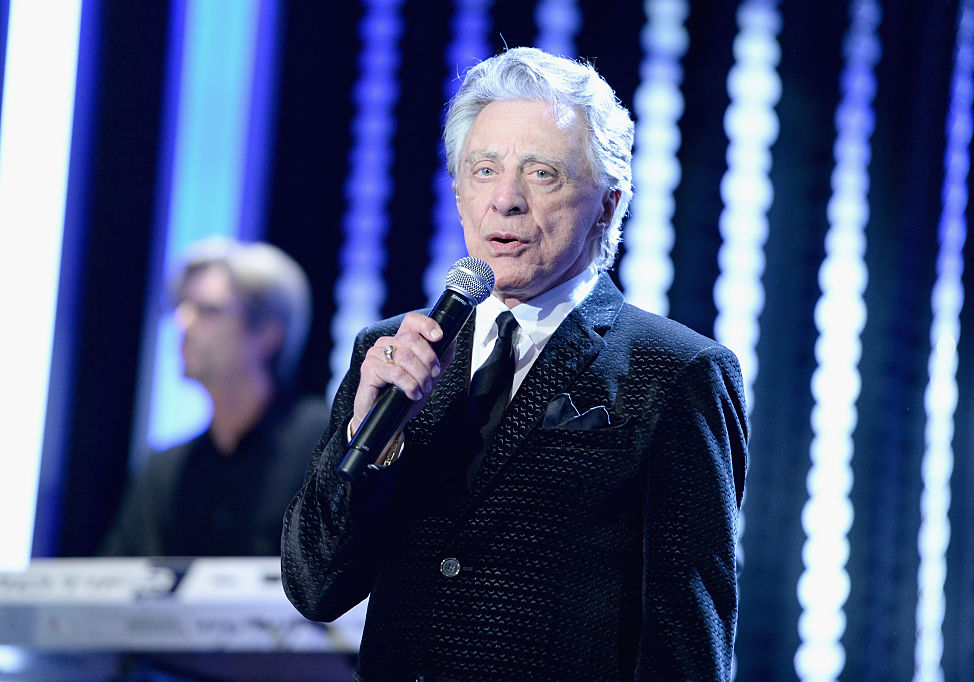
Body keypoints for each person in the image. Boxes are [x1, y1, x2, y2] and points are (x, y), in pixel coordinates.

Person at [282, 47, 748, 680]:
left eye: (542, 174)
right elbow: (315, 587)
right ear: (456, 191)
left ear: (608, 203)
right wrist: (374, 436)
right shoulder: (391, 354)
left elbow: (685, 647)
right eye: (483, 170)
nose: (504, 201)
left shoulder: (676, 373)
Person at [102, 237, 328, 557]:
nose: (183, 323)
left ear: (267, 334)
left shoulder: (324, 445)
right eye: (181, 307)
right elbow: (114, 585)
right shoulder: (164, 471)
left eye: (207, 310)